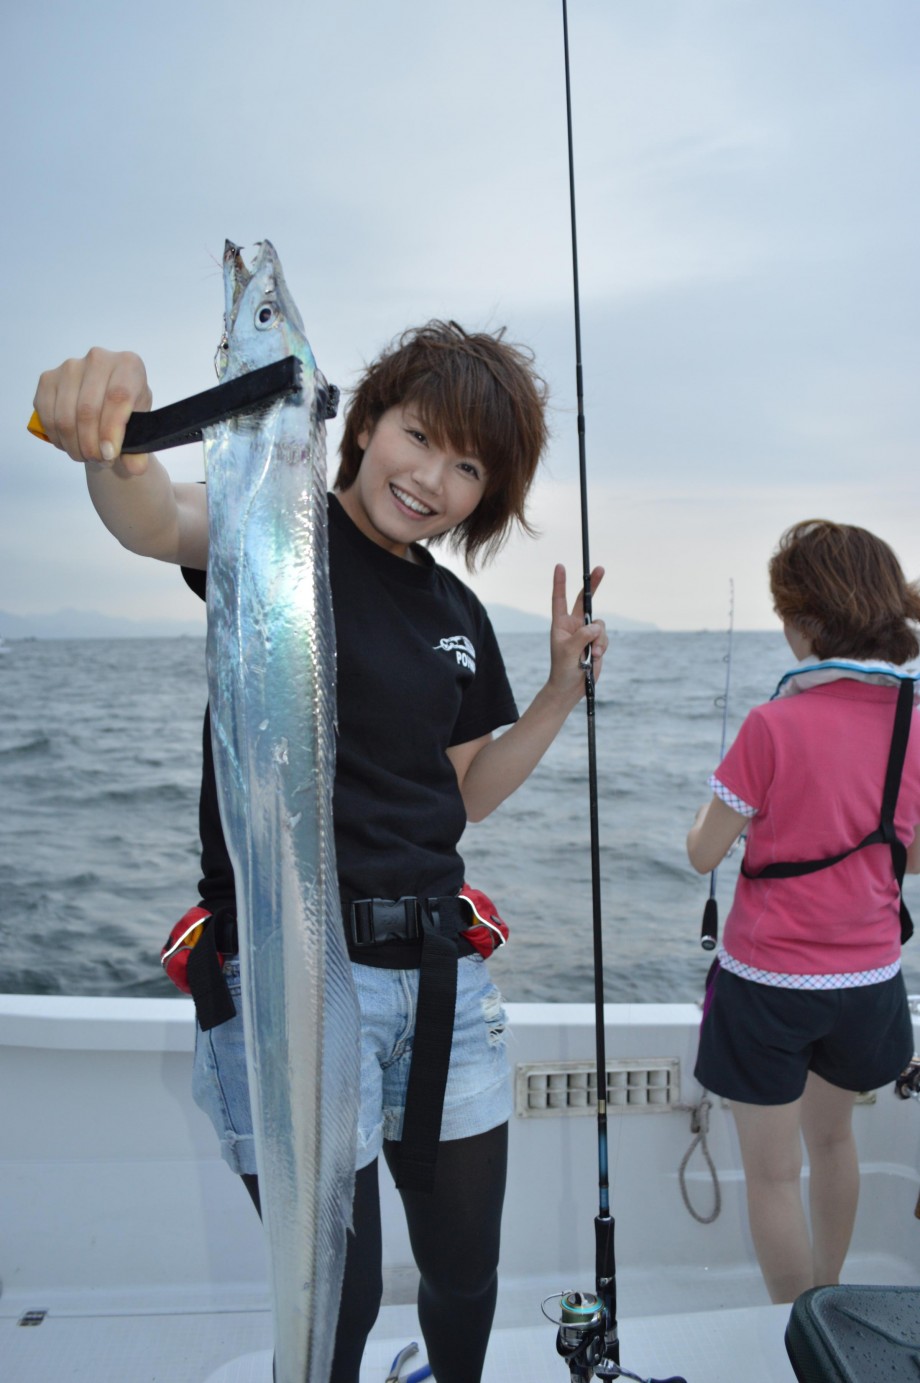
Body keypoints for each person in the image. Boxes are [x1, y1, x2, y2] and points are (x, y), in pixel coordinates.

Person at [34, 321, 608, 1381]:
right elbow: (157, 521)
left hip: (444, 986)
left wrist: (560, 689)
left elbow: (465, 790)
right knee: (333, 1302)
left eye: (469, 465)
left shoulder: (455, 612)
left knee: (464, 1275)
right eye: (418, 435)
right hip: (299, 985)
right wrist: (118, 446)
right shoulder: (273, 534)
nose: (432, 478)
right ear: (364, 423)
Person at [687, 519, 920, 1305]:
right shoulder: (914, 724)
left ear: (805, 621)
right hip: (870, 984)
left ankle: (796, 1330)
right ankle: (835, 1304)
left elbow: (701, 850)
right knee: (835, 1139)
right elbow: (910, 852)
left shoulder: (770, 724)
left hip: (769, 986)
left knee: (775, 1172)